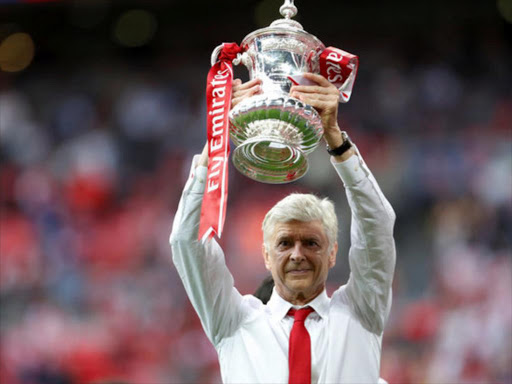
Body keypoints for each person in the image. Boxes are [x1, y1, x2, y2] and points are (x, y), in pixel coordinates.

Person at [170, 73, 396, 383]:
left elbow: (377, 226)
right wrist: (221, 135)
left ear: (333, 254)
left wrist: (335, 137)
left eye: (312, 243)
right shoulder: (236, 322)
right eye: (285, 243)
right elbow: (187, 242)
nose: (297, 254)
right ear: (265, 255)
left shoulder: (360, 313)